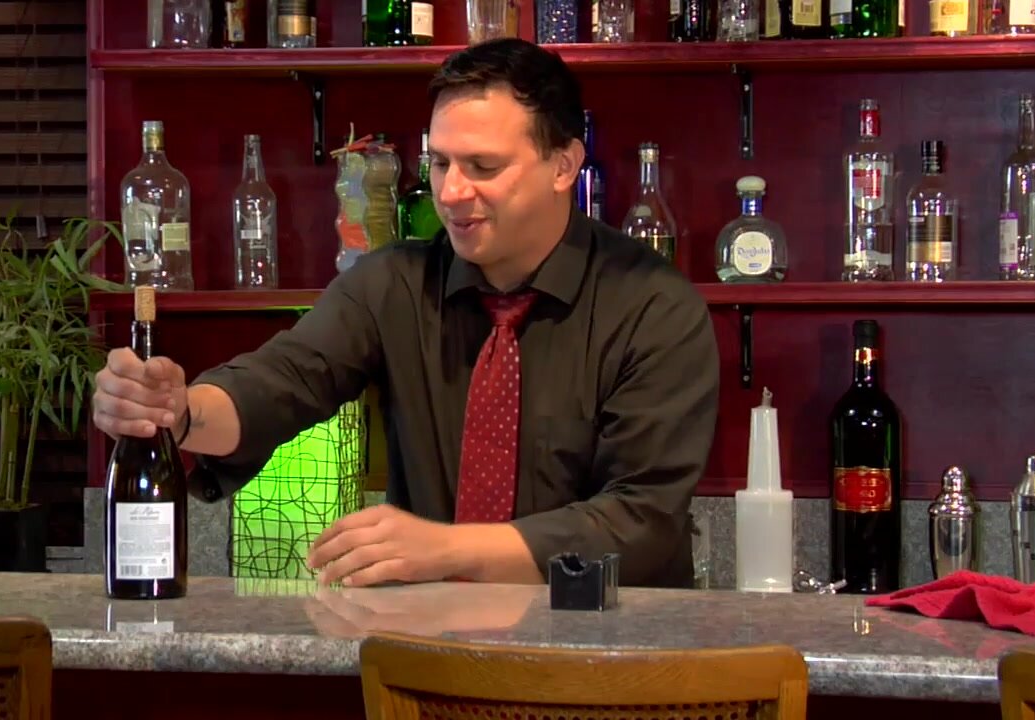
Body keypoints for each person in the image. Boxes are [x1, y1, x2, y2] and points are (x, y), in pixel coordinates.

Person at [92, 37, 719, 589]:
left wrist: (445, 550)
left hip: (610, 650)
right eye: (440, 163)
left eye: (483, 166)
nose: (451, 192)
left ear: (564, 165)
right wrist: (178, 412)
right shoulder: (392, 284)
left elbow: (641, 521)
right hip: (432, 650)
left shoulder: (654, 308)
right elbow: (280, 381)